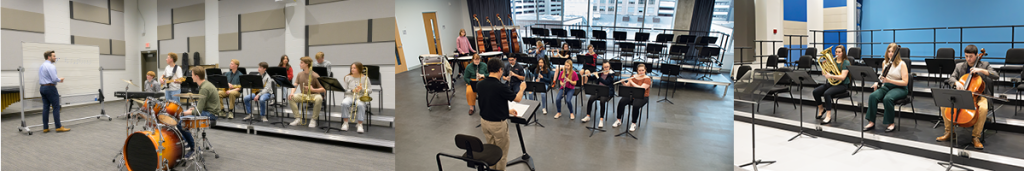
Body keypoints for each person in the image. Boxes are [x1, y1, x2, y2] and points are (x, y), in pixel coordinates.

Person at [937, 45, 995, 149]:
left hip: (978, 95)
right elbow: (951, 78)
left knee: (983, 108)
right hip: (962, 94)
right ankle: (950, 132)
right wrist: (956, 83)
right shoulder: (959, 66)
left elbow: (995, 75)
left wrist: (981, 70)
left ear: (977, 55)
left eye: (971, 56)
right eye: (966, 56)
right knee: (944, 104)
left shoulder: (984, 64)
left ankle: (976, 137)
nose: (968, 59)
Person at [476, 57, 526, 171]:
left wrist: (507, 111)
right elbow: (517, 98)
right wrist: (522, 88)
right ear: (500, 70)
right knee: (502, 154)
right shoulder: (500, 87)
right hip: (498, 125)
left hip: (484, 123)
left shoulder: (480, 85)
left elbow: (491, 102)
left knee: (492, 151)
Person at [863, 43, 910, 132]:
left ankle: (891, 123)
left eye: (892, 51)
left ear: (896, 52)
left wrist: (889, 81)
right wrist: (877, 83)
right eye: (889, 51)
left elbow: (905, 82)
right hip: (887, 86)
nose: (890, 54)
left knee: (888, 98)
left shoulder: (902, 64)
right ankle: (871, 121)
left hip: (900, 88)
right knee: (873, 96)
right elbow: (882, 76)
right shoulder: (885, 62)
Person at [181, 66, 220, 158]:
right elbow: (200, 107)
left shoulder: (204, 88)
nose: (192, 77)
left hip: (210, 114)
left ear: (197, 76)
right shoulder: (206, 84)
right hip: (209, 111)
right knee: (184, 116)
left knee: (181, 120)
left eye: (192, 75)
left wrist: (186, 113)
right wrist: (192, 109)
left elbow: (198, 112)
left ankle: (193, 147)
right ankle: (188, 142)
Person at [813, 45, 851, 124]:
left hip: (842, 85)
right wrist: (824, 68)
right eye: (836, 51)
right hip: (832, 83)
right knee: (815, 91)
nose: (837, 53)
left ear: (843, 53)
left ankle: (828, 116)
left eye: (839, 52)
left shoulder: (846, 62)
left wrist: (830, 76)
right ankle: (821, 109)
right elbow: (824, 73)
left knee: (827, 93)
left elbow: (843, 77)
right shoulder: (832, 61)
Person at [288, 57, 326, 128]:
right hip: (303, 95)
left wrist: (313, 90)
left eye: (301, 63)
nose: (300, 64)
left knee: (319, 99)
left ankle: (313, 119)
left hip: (314, 95)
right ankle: (297, 118)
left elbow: (323, 89)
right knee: (291, 97)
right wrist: (292, 92)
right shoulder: (300, 74)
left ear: (307, 64)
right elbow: (295, 84)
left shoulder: (315, 75)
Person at [614, 64, 652, 132]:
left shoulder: (647, 79)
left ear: (645, 70)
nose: (641, 72)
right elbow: (628, 85)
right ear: (637, 71)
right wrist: (623, 83)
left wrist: (631, 81)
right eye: (639, 70)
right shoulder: (633, 76)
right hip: (632, 94)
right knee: (621, 102)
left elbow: (641, 88)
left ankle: (633, 123)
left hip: (643, 96)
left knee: (636, 105)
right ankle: (618, 120)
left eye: (642, 70)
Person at [39, 50, 69, 133]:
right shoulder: (51, 66)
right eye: (54, 56)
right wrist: (60, 79)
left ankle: (45, 127)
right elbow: (54, 79)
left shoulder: (41, 66)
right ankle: (58, 126)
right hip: (50, 88)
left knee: (46, 107)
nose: (55, 57)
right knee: (56, 107)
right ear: (49, 57)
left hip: (42, 88)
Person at [584, 62, 615, 127]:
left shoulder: (611, 73)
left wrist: (598, 77)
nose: (606, 68)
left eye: (607, 67)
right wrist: (589, 75)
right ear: (602, 67)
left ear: (610, 66)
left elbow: (606, 82)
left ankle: (601, 120)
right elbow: (592, 78)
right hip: (598, 90)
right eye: (605, 67)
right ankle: (588, 116)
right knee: (591, 99)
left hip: (607, 91)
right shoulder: (600, 72)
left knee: (602, 101)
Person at [342, 62, 370, 133]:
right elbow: (344, 90)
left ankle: (360, 124)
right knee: (344, 103)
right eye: (351, 68)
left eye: (354, 68)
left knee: (361, 105)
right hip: (350, 96)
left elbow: (370, 90)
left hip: (360, 97)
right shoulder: (347, 77)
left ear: (359, 69)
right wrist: (352, 90)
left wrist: (362, 89)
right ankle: (345, 123)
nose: (352, 69)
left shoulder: (365, 78)